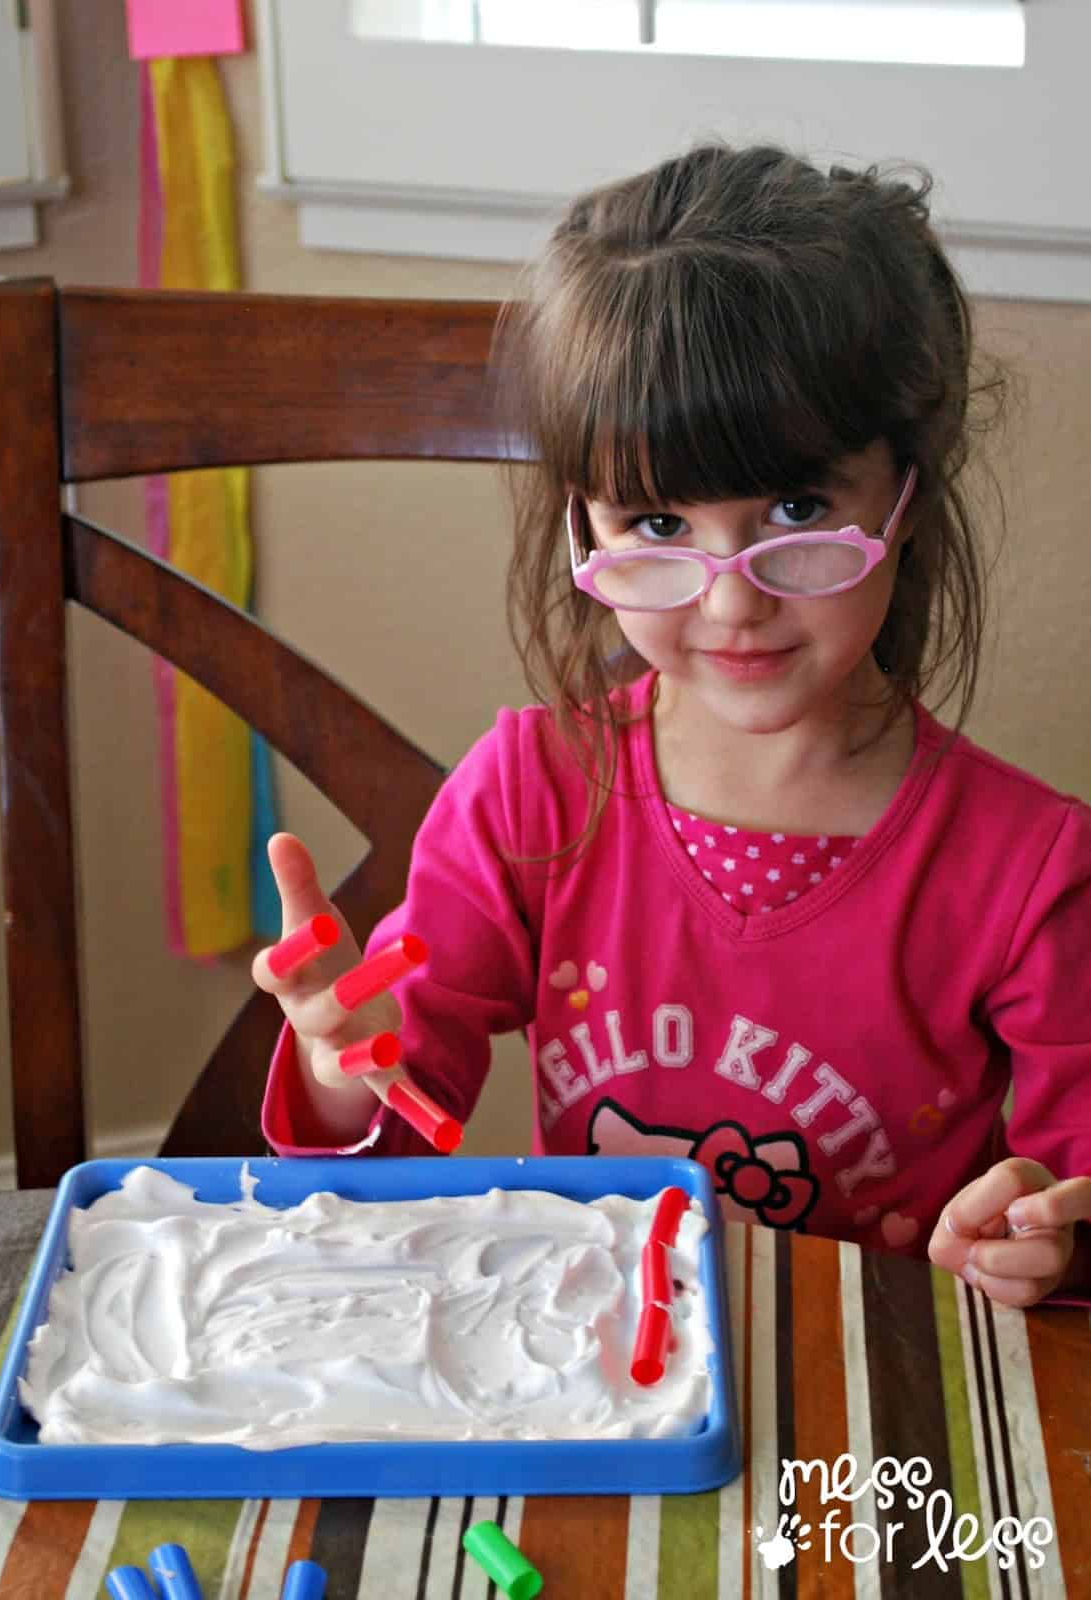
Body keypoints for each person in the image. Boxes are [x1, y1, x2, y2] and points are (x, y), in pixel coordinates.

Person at [253, 143, 1091, 1306]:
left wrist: (1040, 1243)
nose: (731, 596)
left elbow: (1071, 1208)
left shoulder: (1027, 870)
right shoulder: (524, 795)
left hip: (870, 1395)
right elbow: (391, 1146)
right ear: (579, 527)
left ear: (904, 493)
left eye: (796, 509)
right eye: (654, 520)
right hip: (593, 1376)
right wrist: (340, 1065)